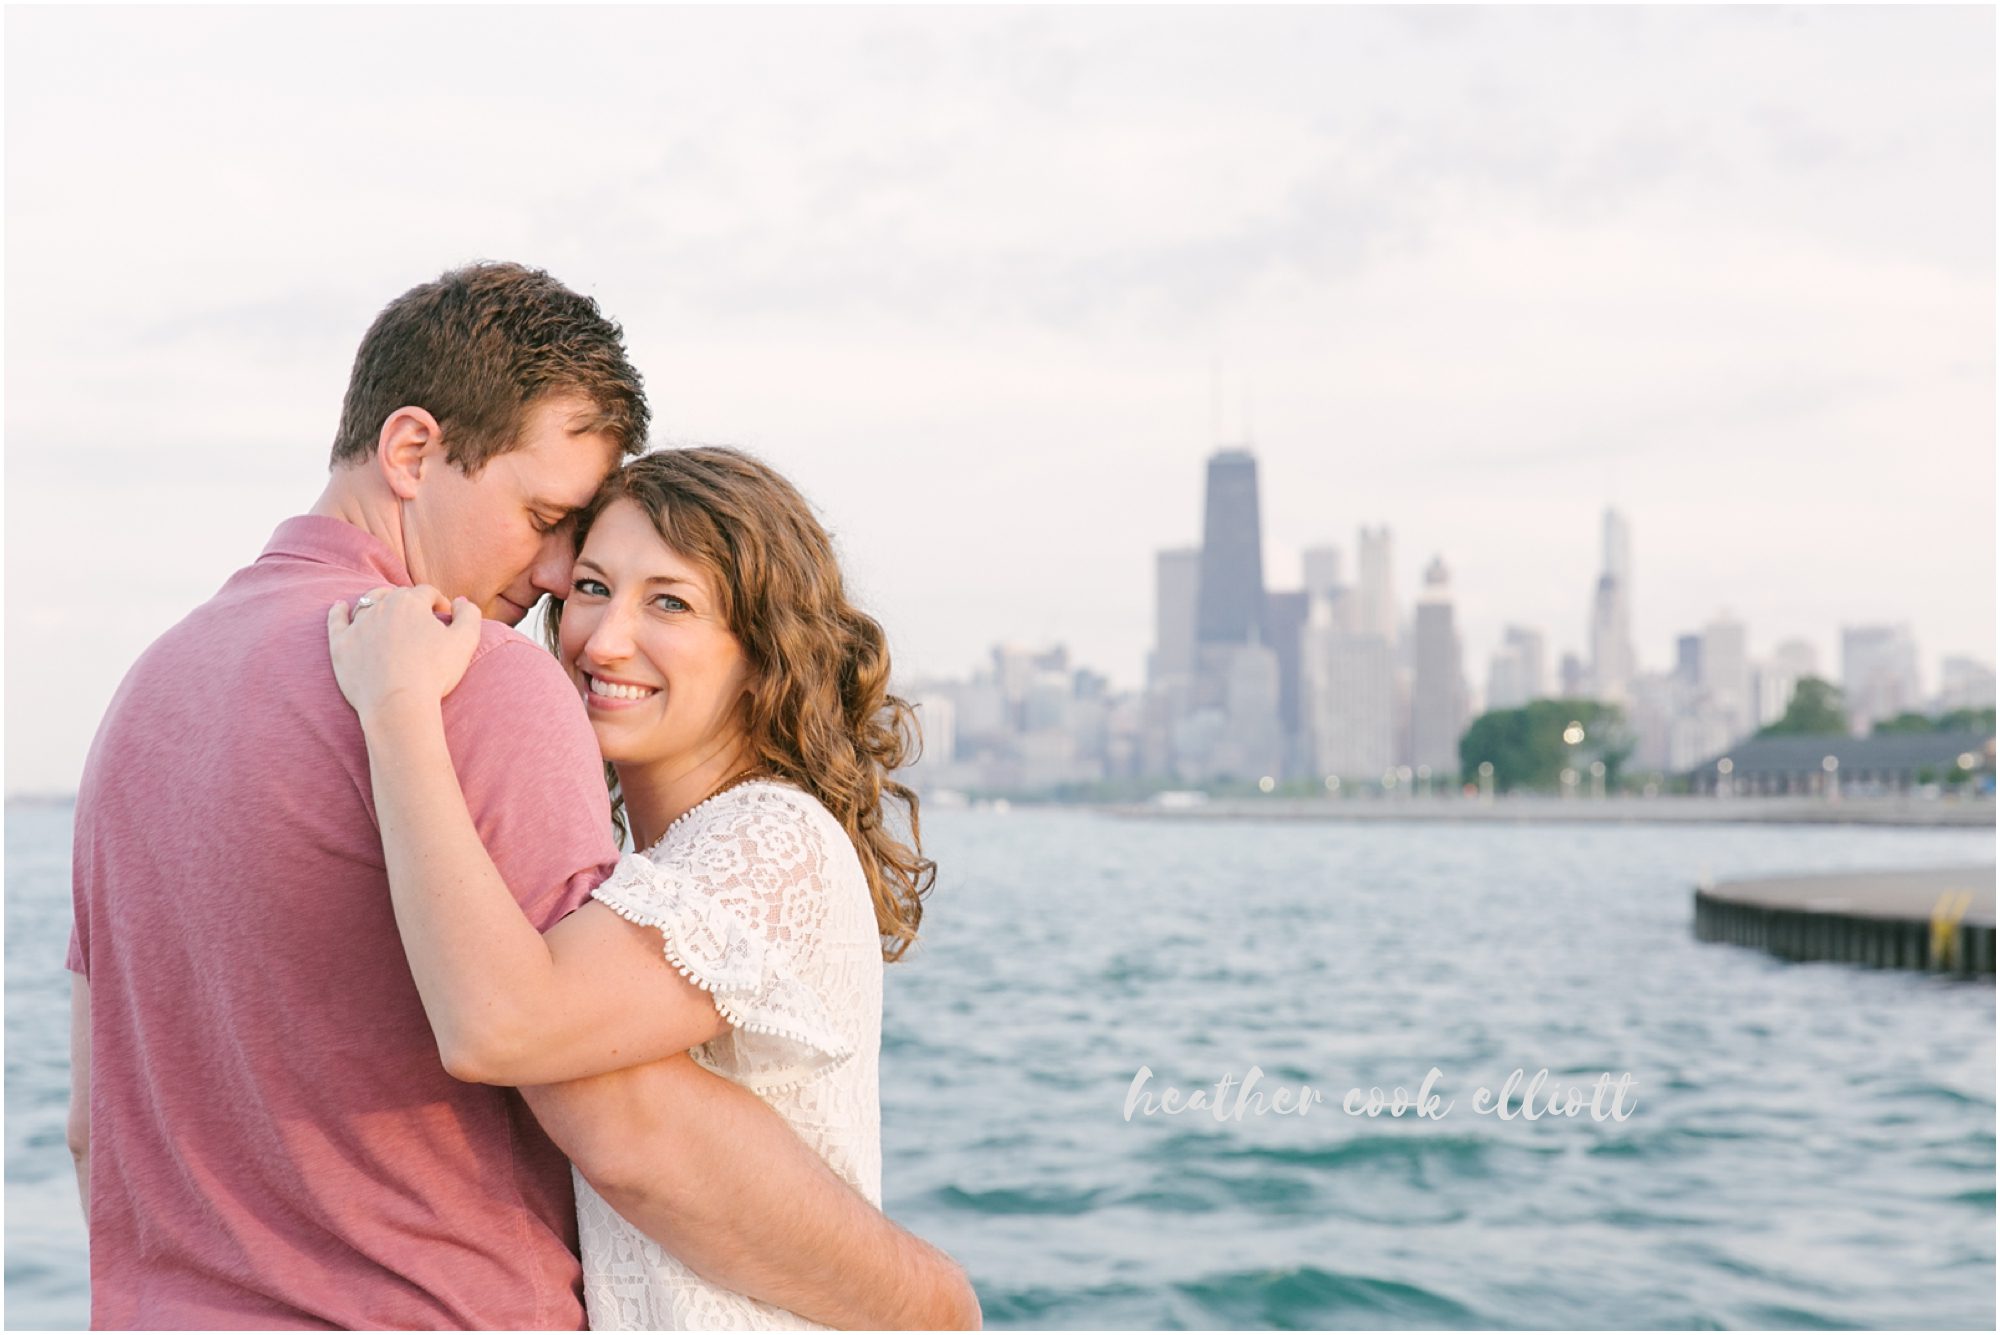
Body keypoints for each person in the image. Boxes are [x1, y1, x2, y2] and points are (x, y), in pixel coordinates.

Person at [65, 263, 979, 1330]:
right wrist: (935, 1303)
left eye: (659, 595)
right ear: (411, 452)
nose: (556, 583)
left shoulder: (143, 698)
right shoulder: (476, 677)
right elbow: (621, 1122)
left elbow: (95, 1126)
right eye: (554, 527)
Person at [325, 447, 931, 1329]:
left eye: (670, 602)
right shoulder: (655, 860)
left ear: (766, 653)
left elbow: (503, 1023)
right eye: (594, 588)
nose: (602, 640)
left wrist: (399, 708)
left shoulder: (773, 837)